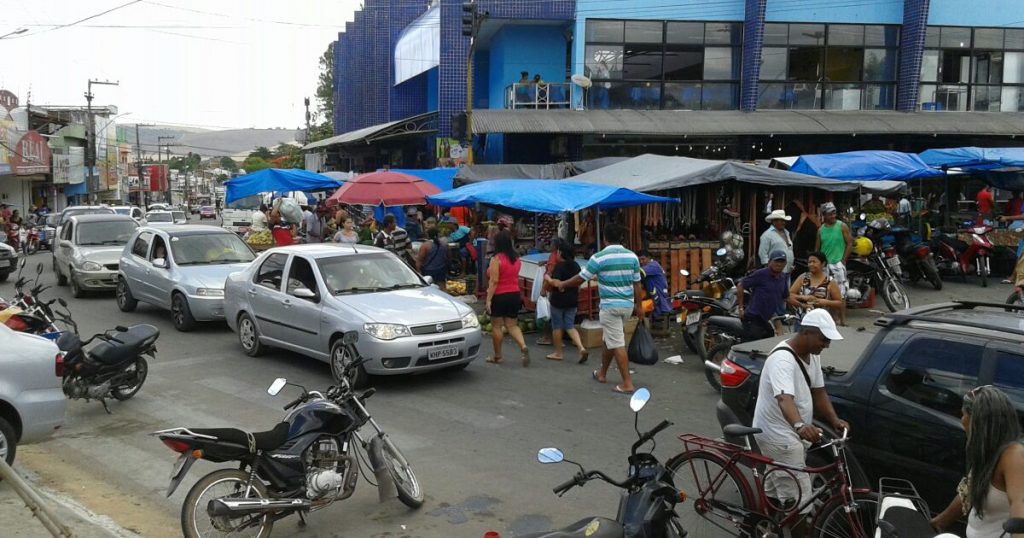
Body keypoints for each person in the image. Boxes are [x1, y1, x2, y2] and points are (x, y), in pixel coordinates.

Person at [751, 308, 848, 538]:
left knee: (777, 489)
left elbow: (819, 391)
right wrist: (799, 426)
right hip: (778, 435)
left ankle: (757, 528)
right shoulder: (782, 360)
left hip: (791, 433)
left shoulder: (812, 355)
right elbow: (785, 399)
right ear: (807, 332)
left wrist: (834, 420)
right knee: (799, 499)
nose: (826, 345)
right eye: (823, 339)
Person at [548, 223, 641, 395]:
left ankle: (627, 383)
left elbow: (580, 279)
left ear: (604, 238)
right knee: (609, 339)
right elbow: (637, 283)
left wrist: (562, 284)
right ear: (620, 238)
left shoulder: (599, 257)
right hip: (627, 306)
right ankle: (602, 373)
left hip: (610, 306)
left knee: (617, 343)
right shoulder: (632, 257)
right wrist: (639, 306)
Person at [930, 386, 1024, 538]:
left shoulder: (1013, 456)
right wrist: (938, 523)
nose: (962, 421)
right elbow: (970, 491)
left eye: (963, 414)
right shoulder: (989, 453)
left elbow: (1020, 507)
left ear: (977, 421)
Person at [484, 230, 529, 367]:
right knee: (512, 325)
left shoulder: (496, 259)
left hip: (499, 295)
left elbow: (494, 281)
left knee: (496, 326)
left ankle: (498, 356)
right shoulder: (516, 259)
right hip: (514, 294)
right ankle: (523, 346)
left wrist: (488, 299)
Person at [543, 239, 589, 363]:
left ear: (561, 253)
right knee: (569, 326)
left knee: (557, 326)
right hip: (573, 299)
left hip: (558, 300)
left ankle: (558, 353)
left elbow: (556, 283)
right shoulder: (576, 265)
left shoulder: (559, 266)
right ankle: (581, 347)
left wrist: (547, 277)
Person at [737, 250, 790, 341]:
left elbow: (786, 297)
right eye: (776, 261)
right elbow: (741, 285)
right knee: (752, 343)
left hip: (766, 318)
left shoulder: (783, 277)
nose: (779, 264)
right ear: (769, 262)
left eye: (782, 261)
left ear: (785, 264)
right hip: (753, 317)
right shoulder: (761, 274)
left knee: (769, 336)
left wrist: (802, 306)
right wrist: (741, 308)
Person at [815, 202, 853, 326]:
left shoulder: (842, 226)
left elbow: (849, 243)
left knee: (841, 294)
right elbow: (818, 249)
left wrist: (843, 260)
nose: (833, 216)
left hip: (838, 264)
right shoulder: (821, 230)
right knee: (828, 294)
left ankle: (843, 320)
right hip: (826, 265)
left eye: (834, 213)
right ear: (824, 215)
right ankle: (833, 319)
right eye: (830, 214)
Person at [788, 251, 843, 323]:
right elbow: (789, 295)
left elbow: (839, 303)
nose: (811, 264)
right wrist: (803, 297)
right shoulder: (803, 277)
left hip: (821, 321)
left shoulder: (830, 281)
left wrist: (826, 302)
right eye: (809, 262)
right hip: (802, 319)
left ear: (823, 264)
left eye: (814, 262)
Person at [639, 250, 672, 318]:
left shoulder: (653, 265)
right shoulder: (650, 266)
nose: (641, 262)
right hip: (656, 298)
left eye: (643, 259)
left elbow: (640, 272)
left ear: (649, 258)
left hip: (659, 298)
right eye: (639, 260)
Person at [759, 209, 794, 274]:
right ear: (774, 221)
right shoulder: (767, 235)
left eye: (784, 221)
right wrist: (768, 268)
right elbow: (762, 253)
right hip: (774, 271)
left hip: (787, 270)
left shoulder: (787, 233)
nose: (784, 223)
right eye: (781, 221)